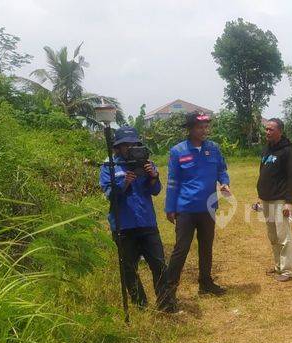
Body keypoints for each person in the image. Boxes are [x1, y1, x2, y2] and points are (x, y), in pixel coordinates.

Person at [99, 127, 170, 312]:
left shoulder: (146, 163)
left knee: (159, 264)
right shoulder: (110, 166)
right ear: (118, 147)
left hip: (147, 222)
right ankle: (140, 305)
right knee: (129, 268)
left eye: (133, 144)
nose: (130, 147)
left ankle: (166, 304)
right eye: (126, 145)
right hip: (124, 225)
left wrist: (154, 176)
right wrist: (125, 183)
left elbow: (155, 191)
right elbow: (109, 195)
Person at [165, 111, 231, 303]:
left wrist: (224, 183)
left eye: (206, 127)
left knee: (206, 246)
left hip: (208, 208)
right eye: (200, 127)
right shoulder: (178, 151)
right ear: (190, 129)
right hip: (185, 209)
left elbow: (222, 170)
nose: (204, 130)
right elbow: (173, 181)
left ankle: (206, 283)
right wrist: (170, 207)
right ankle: (169, 291)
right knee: (181, 248)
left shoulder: (214, 148)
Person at [256, 118, 292, 282]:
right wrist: (260, 197)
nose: (267, 132)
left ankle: (288, 270)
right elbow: (263, 174)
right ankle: (278, 267)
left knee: (283, 236)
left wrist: (289, 201)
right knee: (273, 236)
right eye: (266, 129)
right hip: (266, 199)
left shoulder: (288, 151)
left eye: (271, 129)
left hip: (280, 200)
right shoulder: (266, 149)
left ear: (280, 131)